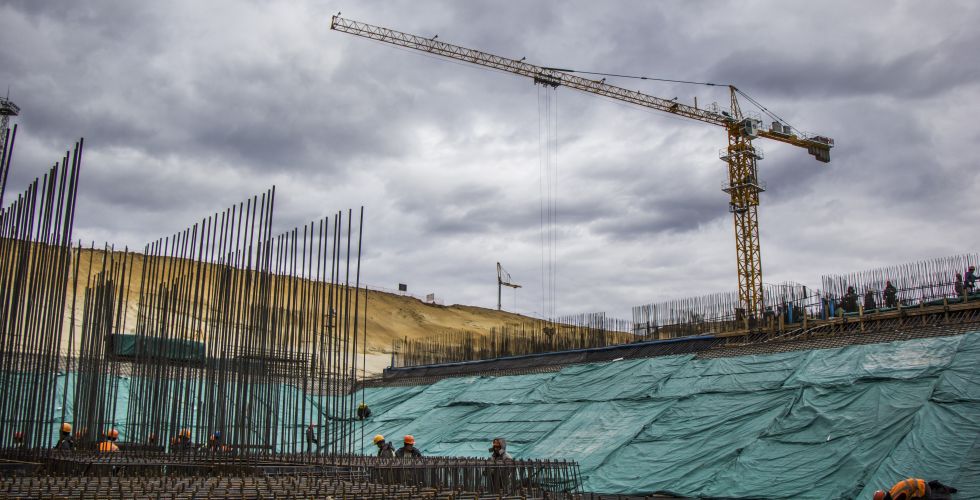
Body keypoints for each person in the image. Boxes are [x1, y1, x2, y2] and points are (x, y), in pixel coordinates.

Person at [873, 477, 957, 500]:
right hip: (920, 484)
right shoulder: (891, 492)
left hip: (924, 489)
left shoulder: (897, 497)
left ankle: (935, 487)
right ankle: (932, 484)